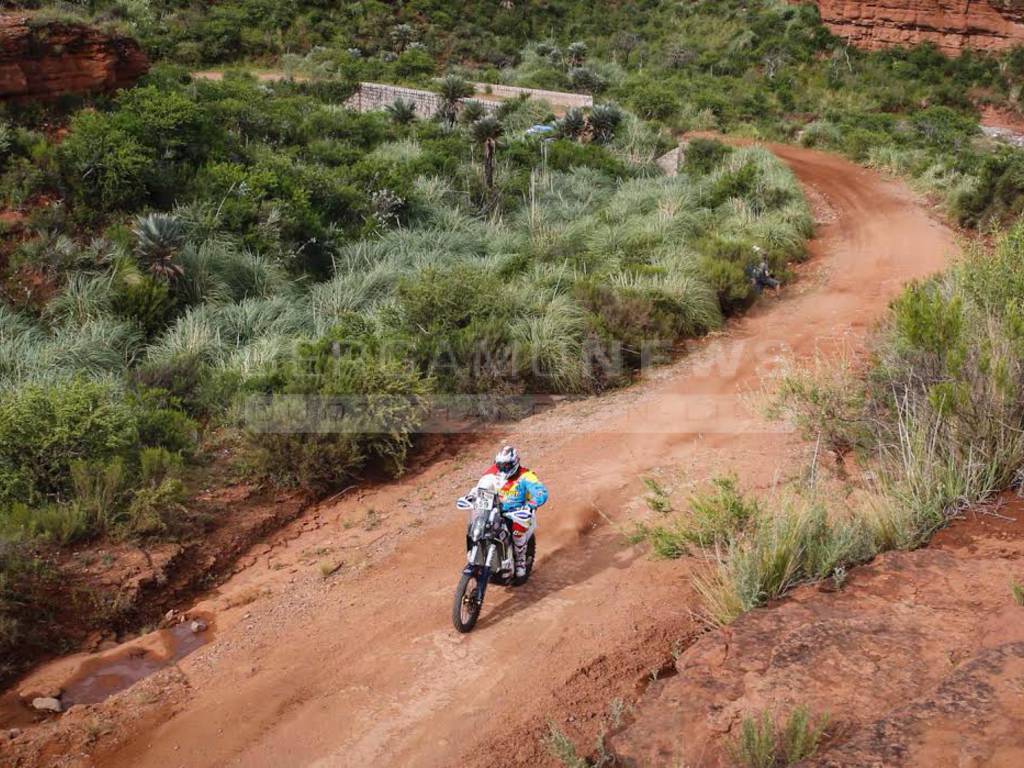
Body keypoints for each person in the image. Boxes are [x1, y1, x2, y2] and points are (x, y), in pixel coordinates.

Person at [481, 445, 548, 578]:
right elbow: (481, 486)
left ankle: (520, 562)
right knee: (480, 527)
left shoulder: (526, 475)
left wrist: (532, 504)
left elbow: (541, 492)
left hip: (518, 512)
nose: (503, 468)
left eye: (506, 465)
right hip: (496, 510)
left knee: (517, 533)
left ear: (515, 462)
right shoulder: (492, 471)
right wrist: (472, 496)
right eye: (500, 465)